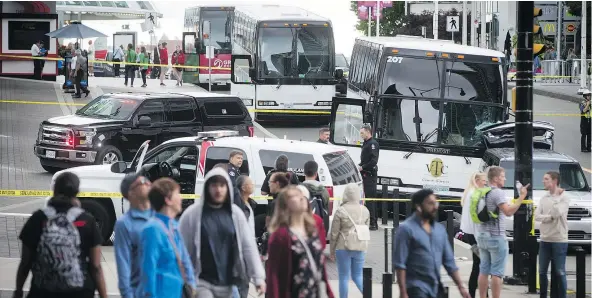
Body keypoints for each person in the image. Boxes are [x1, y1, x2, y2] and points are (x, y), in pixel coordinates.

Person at [14, 172, 107, 298]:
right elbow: (95, 266)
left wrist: (18, 290)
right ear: (77, 191)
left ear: (54, 190)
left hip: (43, 291)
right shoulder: (87, 220)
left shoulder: (37, 218)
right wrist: (104, 295)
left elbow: (25, 262)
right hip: (80, 292)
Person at [178, 168, 266, 298]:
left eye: (222, 185)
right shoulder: (192, 215)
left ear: (228, 188)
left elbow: (248, 246)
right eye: (214, 185)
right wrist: (183, 279)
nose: (218, 190)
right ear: (207, 186)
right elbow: (181, 249)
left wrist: (258, 277)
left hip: (229, 283)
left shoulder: (236, 214)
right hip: (201, 281)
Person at [393, 189, 470, 298]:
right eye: (430, 203)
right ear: (418, 206)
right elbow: (400, 263)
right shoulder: (406, 229)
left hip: (435, 287)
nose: (435, 207)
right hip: (415, 287)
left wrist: (461, 286)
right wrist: (403, 291)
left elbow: (449, 262)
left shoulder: (439, 230)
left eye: (436, 203)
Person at [266, 186, 335, 298]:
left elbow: (320, 268)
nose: (301, 198)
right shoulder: (280, 236)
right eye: (295, 196)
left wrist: (329, 293)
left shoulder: (311, 229)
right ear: (285, 206)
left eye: (302, 195)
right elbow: (273, 276)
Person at [476, 166, 529, 298]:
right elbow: (508, 211)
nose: (505, 179)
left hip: (482, 235)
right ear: (495, 178)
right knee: (496, 273)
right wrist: (522, 196)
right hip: (495, 236)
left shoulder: (482, 191)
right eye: (503, 176)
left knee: (483, 271)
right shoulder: (497, 193)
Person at [140, 178, 196, 298]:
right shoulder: (152, 230)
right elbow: (148, 269)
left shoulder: (174, 225)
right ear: (168, 200)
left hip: (177, 292)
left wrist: (192, 287)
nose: (181, 198)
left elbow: (185, 260)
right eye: (178, 194)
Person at [114, 172, 153, 298]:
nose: (148, 183)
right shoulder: (124, 224)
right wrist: (127, 294)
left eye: (147, 180)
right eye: (142, 182)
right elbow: (123, 264)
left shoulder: (161, 216)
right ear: (131, 193)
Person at [329, 183, 370, 298]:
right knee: (358, 276)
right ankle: (368, 294)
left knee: (343, 277)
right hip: (360, 246)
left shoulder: (341, 211)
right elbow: (366, 229)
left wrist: (332, 250)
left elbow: (334, 233)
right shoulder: (365, 210)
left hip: (343, 247)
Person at [535, 171, 569, 298]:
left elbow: (557, 213)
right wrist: (548, 218)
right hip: (545, 239)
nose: (543, 181)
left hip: (559, 239)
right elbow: (537, 216)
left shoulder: (564, 197)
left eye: (546, 179)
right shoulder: (544, 198)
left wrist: (557, 198)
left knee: (560, 272)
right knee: (542, 272)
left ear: (554, 181)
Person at [459, 172, 488, 298]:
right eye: (483, 180)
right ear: (477, 180)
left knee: (478, 265)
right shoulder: (476, 195)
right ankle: (482, 294)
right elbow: (477, 218)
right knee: (481, 266)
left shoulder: (469, 193)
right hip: (476, 234)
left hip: (470, 233)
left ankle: (475, 294)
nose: (485, 183)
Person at [358, 123, 379, 230]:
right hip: (365, 173)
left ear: (367, 131)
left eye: (362, 133)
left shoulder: (372, 144)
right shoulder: (366, 143)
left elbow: (373, 161)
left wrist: (363, 167)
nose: (361, 135)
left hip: (369, 175)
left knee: (370, 200)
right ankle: (369, 220)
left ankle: (373, 223)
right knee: (366, 199)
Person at [302, 160, 330, 234]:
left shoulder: (298, 190)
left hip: (302, 230)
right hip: (317, 230)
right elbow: (326, 212)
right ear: (316, 174)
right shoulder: (323, 191)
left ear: (304, 173)